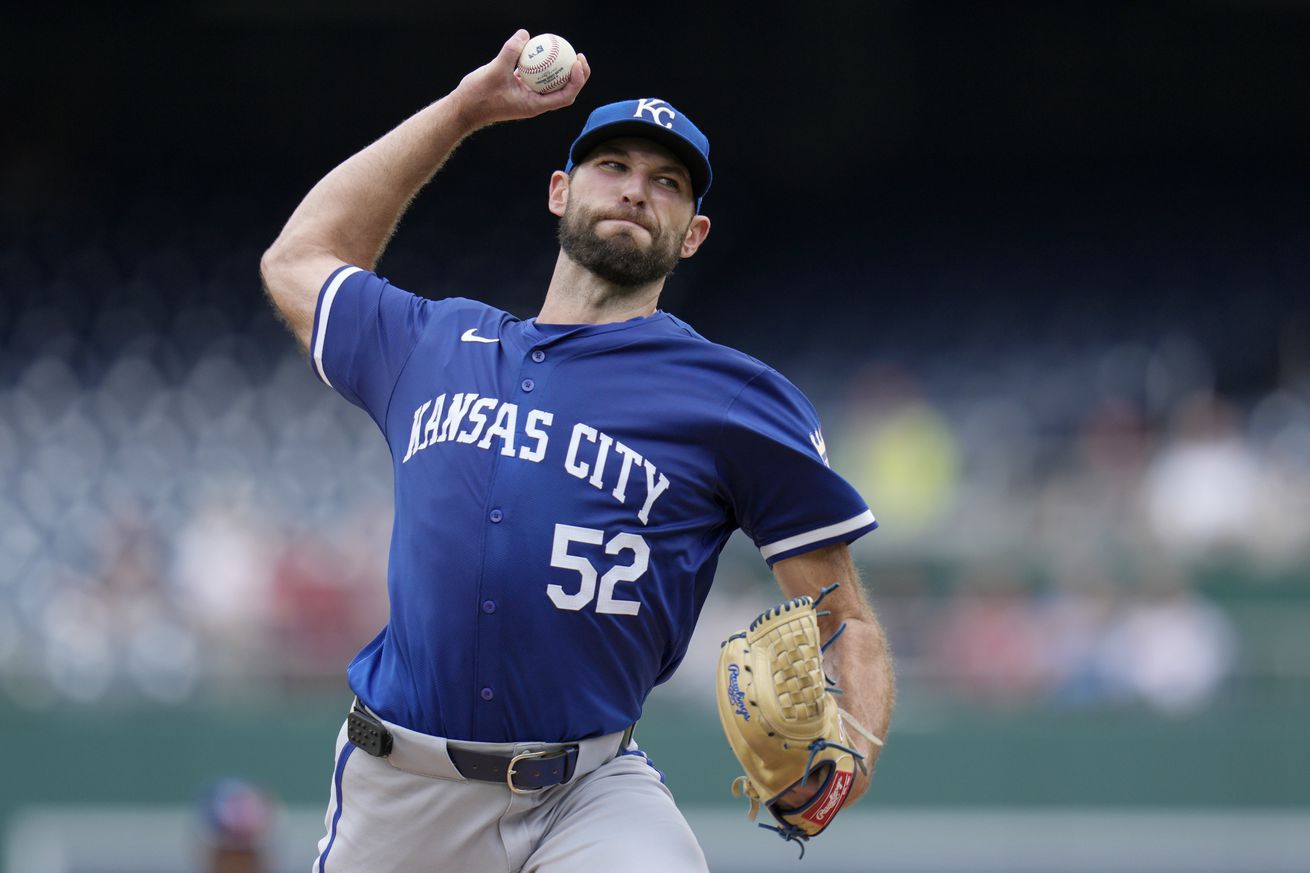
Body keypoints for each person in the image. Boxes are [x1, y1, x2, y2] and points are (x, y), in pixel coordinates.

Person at [260, 30, 895, 873]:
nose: (638, 191)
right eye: (613, 167)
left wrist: (849, 744)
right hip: (399, 792)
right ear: (560, 191)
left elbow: (843, 614)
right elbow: (299, 258)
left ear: (693, 232)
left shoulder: (734, 398)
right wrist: (460, 113)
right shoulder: (435, 341)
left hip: (588, 792)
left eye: (667, 183)